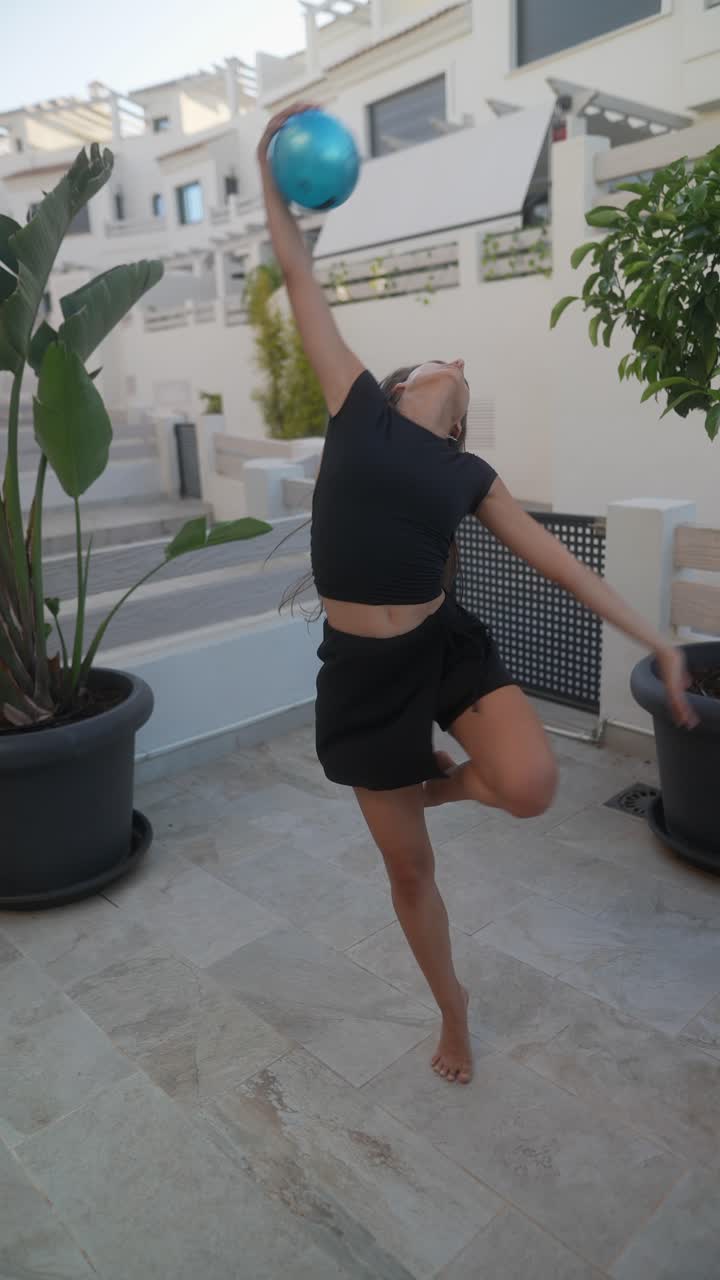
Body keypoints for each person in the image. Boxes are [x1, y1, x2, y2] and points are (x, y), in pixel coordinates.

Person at [257, 105, 699, 1086]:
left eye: (467, 373)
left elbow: (563, 564)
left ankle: (443, 781)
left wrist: (657, 638)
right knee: (408, 870)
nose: (459, 362)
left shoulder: (471, 474)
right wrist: (265, 174)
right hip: (364, 679)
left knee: (533, 785)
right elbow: (302, 283)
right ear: (415, 379)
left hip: (441, 646)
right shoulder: (357, 405)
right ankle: (451, 1005)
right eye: (446, 358)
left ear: (457, 420)